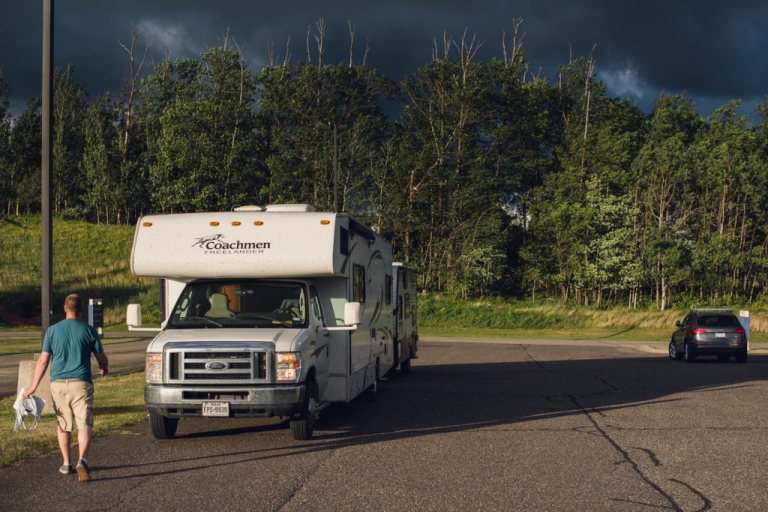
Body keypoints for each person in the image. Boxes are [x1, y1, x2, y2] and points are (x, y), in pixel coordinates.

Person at [23, 294, 109, 482]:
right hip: (81, 383)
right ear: (81, 310)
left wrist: (32, 387)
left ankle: (66, 462)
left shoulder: (52, 331)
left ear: (65, 308)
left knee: (63, 424)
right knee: (84, 423)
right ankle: (83, 460)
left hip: (58, 384)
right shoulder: (88, 330)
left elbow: (43, 361)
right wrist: (104, 367)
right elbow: (102, 357)